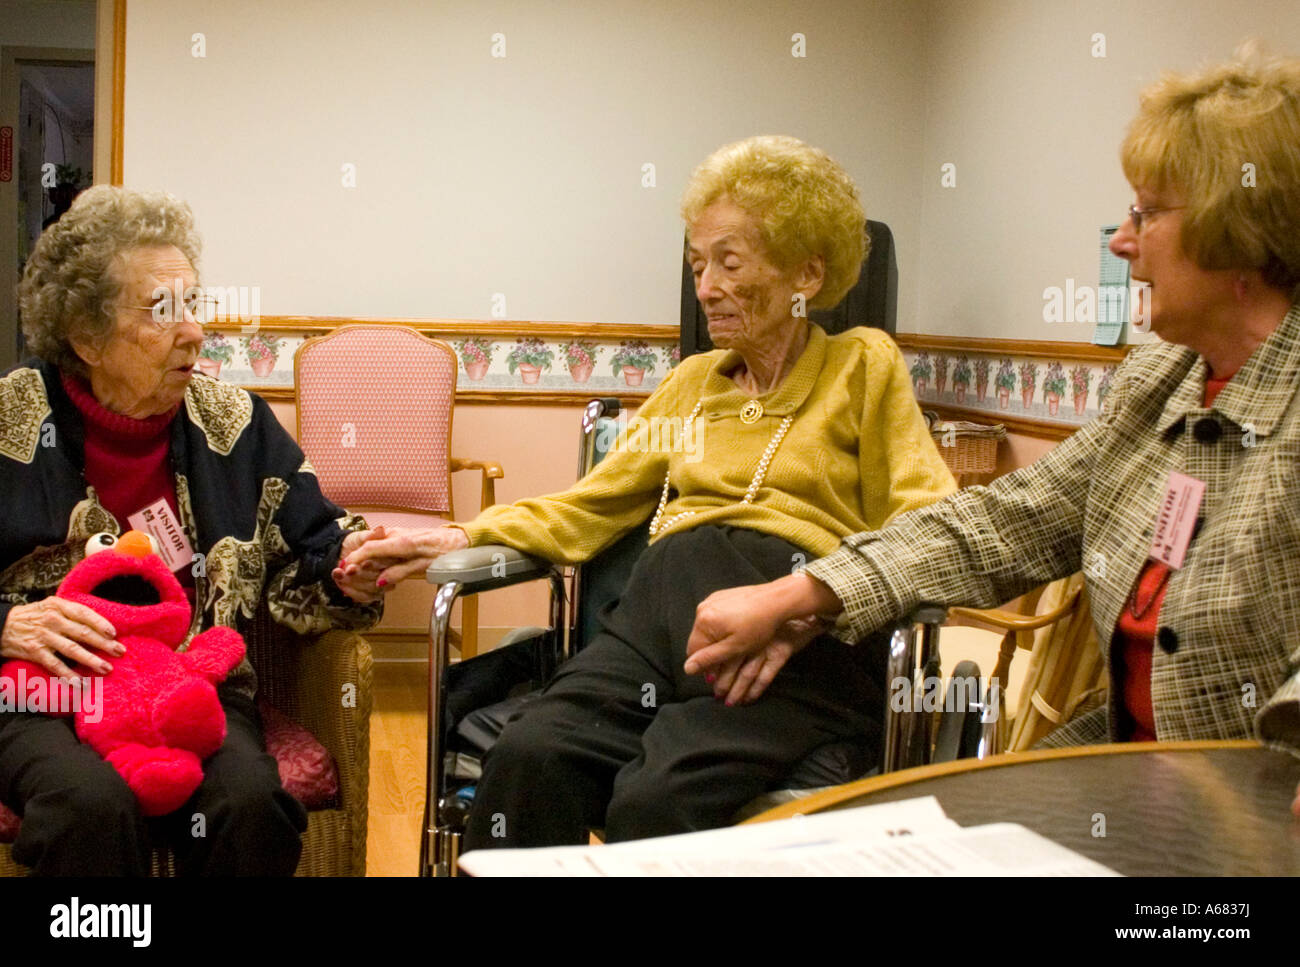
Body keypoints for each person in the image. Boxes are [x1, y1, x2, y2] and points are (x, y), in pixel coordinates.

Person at [684, 53, 1300, 797]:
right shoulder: (1158, 381)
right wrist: (805, 592)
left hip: (1255, 806)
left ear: (1233, 225)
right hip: (1129, 773)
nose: (1120, 239)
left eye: (1146, 212)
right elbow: (1000, 522)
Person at [345, 135, 956, 848]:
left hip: (787, 630)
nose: (705, 287)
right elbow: (588, 506)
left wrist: (816, 598)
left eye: (730, 262)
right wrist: (455, 535)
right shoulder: (691, 385)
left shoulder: (861, 366)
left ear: (807, 273)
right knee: (529, 756)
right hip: (656, 621)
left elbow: (930, 521)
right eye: (698, 265)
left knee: (657, 802)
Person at [0, 186, 383, 875]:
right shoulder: (11, 420)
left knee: (251, 801)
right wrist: (4, 625)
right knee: (88, 806)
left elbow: (317, 547)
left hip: (191, 689)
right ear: (86, 335)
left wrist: (351, 568)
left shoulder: (233, 424)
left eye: (194, 305)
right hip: (45, 693)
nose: (195, 332)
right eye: (162, 312)